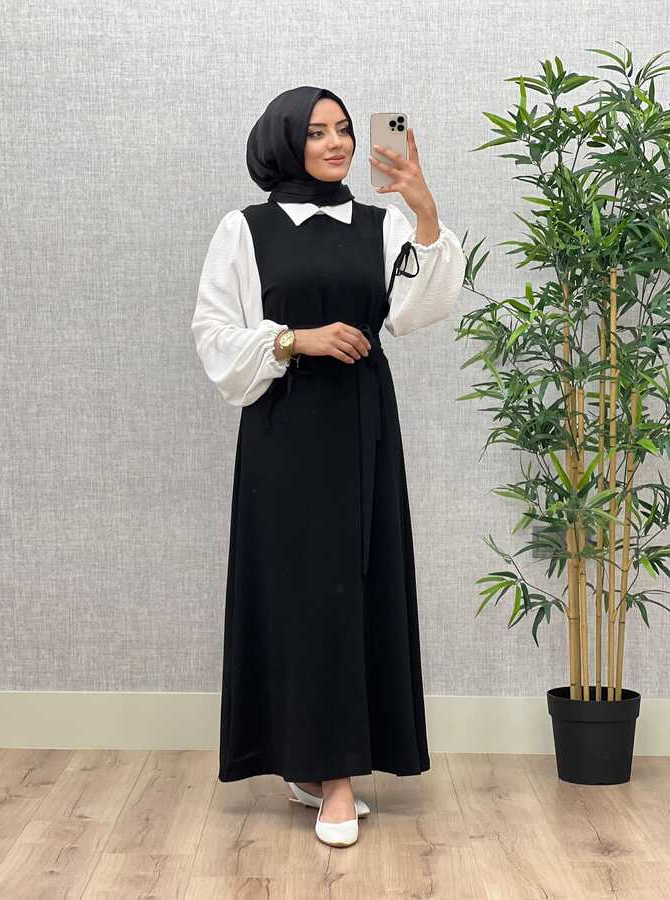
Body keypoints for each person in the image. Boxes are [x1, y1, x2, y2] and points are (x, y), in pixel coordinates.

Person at [190, 85, 466, 847]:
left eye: (343, 129)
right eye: (316, 132)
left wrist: (423, 210)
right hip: (283, 428)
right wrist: (292, 339)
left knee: (354, 585)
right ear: (284, 142)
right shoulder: (245, 229)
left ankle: (330, 771)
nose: (337, 143)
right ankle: (319, 770)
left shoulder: (377, 224)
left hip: (361, 424)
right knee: (299, 592)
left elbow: (415, 311)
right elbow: (212, 331)